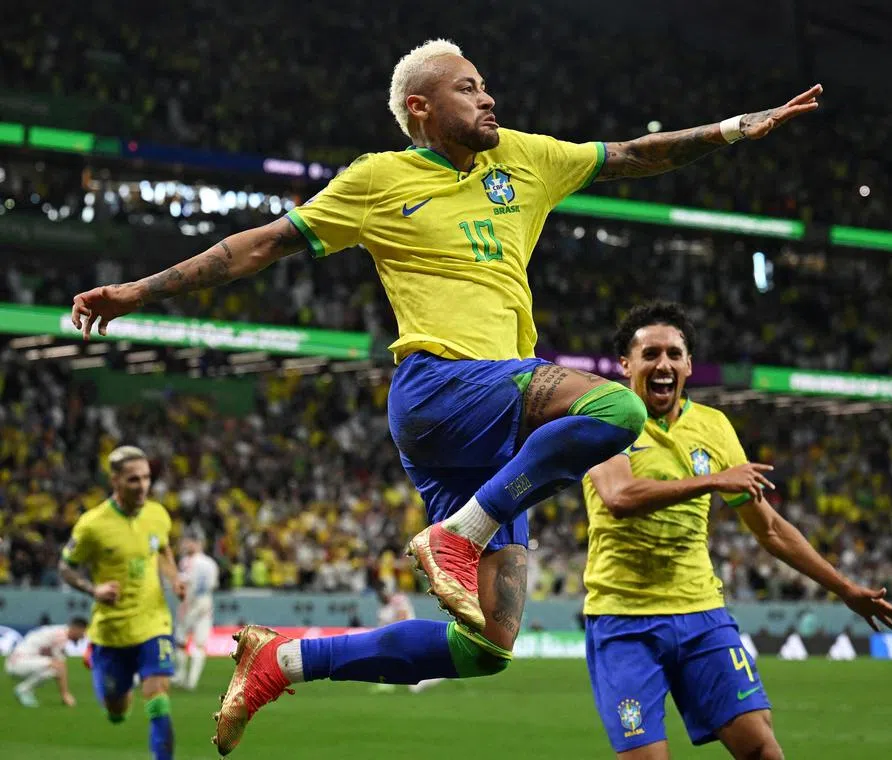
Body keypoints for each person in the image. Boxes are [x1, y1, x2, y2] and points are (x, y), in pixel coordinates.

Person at [69, 38, 823, 755]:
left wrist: (732, 129)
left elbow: (629, 155)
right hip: (439, 389)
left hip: (496, 430)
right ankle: (457, 536)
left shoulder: (525, 158)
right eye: (469, 88)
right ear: (421, 107)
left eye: (486, 85)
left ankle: (282, 662)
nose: (489, 98)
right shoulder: (377, 178)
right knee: (618, 411)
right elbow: (260, 244)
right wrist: (140, 290)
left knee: (485, 646)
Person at [581, 303, 892, 759]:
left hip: (701, 614)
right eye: (650, 353)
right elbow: (619, 498)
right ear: (626, 365)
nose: (663, 365)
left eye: (674, 354)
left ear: (689, 365)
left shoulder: (714, 427)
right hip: (623, 621)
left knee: (761, 749)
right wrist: (713, 480)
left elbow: (769, 529)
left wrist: (845, 588)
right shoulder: (601, 418)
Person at [58, 446, 185, 760]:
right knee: (117, 708)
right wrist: (93, 589)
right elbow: (65, 566)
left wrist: (174, 577)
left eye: (146, 478)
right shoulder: (92, 525)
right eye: (133, 480)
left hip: (154, 622)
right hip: (112, 630)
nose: (143, 485)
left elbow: (163, 550)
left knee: (157, 699)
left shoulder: (158, 514)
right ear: (115, 481)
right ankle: (99, 663)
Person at [370, 585, 445, 695]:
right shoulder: (384, 609)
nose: (381, 596)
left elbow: (402, 617)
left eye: (383, 593)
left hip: (408, 634)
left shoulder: (399, 599)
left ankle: (440, 674)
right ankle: (386, 684)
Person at [172, 531, 220, 691]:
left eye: (189, 542)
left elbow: (185, 582)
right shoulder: (211, 563)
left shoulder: (187, 561)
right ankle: (191, 681)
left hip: (190, 602)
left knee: (180, 639)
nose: (186, 545)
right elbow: (213, 584)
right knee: (199, 644)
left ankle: (181, 676)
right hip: (206, 603)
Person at [5, 617, 87, 708]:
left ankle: (24, 690)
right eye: (82, 632)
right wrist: (65, 694)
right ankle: (23, 690)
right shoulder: (60, 636)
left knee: (52, 670)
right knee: (57, 666)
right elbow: (60, 666)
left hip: (17, 662)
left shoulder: (57, 632)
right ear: (76, 629)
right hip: (19, 663)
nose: (82, 637)